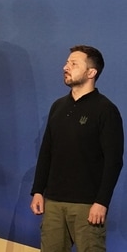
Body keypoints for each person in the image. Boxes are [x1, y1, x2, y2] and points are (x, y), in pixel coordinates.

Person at [30, 45, 123, 252]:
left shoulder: (106, 110)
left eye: (74, 64)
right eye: (67, 62)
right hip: (53, 203)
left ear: (91, 72)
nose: (65, 67)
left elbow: (114, 161)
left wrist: (102, 202)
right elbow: (47, 151)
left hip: (87, 206)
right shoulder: (57, 106)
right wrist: (38, 190)